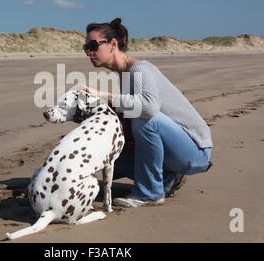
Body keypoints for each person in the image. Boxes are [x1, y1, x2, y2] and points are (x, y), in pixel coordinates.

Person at [81, 18, 213, 208]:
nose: (89, 52)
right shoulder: (125, 75)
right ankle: (167, 176)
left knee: (145, 119)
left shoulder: (140, 69)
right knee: (104, 155)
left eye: (93, 45)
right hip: (174, 149)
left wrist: (103, 94)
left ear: (113, 44)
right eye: (86, 48)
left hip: (195, 151)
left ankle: (150, 193)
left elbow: (149, 108)